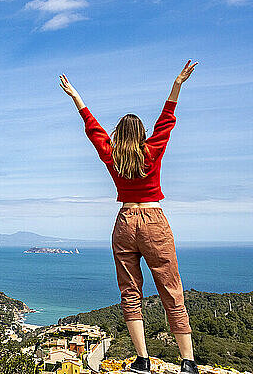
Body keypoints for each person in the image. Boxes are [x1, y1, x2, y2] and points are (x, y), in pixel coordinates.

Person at [59, 60, 199, 374]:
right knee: (171, 290)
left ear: (119, 134)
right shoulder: (152, 149)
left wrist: (76, 97)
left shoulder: (111, 153)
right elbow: (168, 118)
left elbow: (92, 128)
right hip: (153, 221)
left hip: (124, 222)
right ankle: (188, 363)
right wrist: (177, 84)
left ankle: (142, 360)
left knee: (130, 292)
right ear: (143, 133)